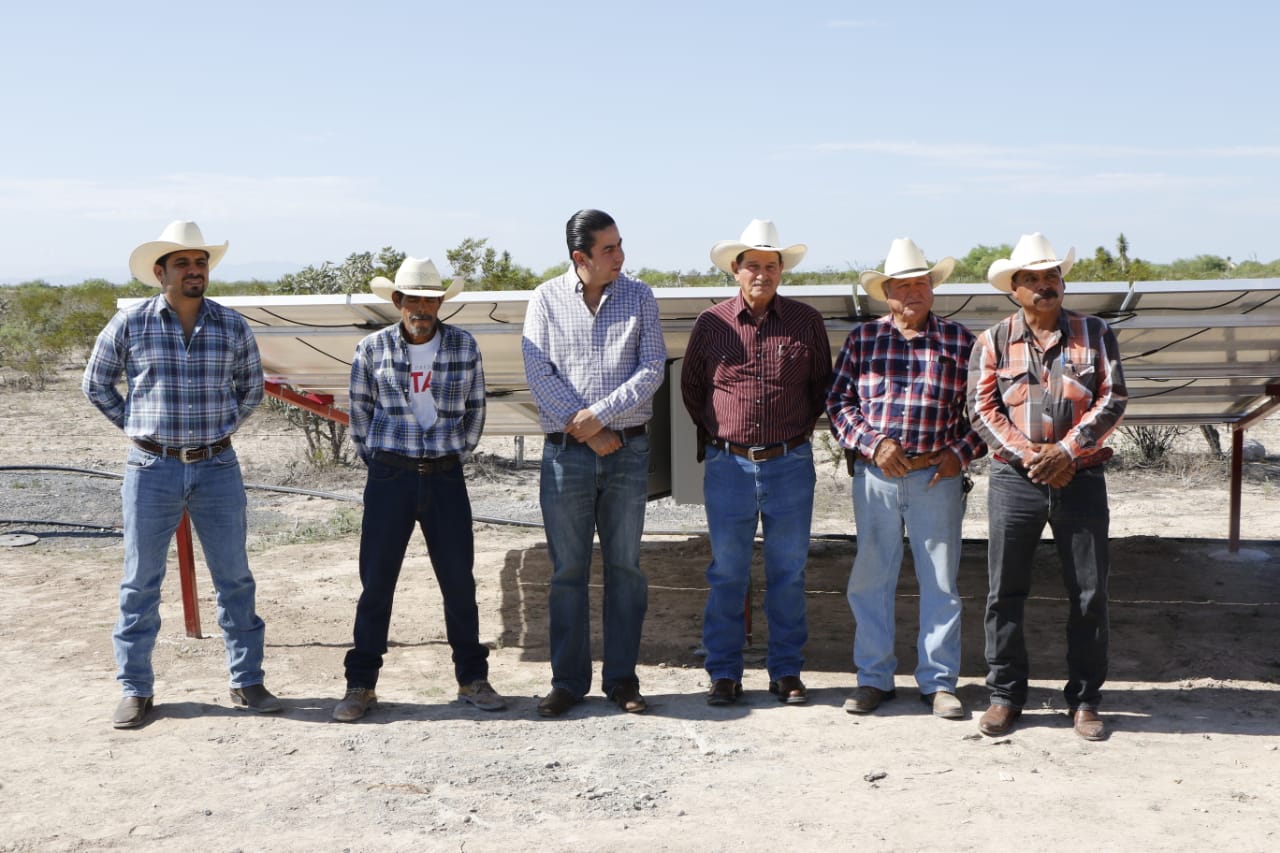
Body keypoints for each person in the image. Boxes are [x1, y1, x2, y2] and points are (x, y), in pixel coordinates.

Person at [83, 220, 281, 728]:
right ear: (160, 272)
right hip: (151, 467)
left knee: (234, 577)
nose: (195, 271)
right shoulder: (131, 323)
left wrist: (221, 428)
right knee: (140, 581)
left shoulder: (231, 324)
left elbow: (252, 388)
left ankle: (247, 680)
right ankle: (135, 689)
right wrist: (136, 425)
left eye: (200, 263)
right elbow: (96, 383)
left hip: (217, 466)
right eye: (183, 263)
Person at [968, 233, 1127, 741]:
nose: (1044, 286)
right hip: (1015, 480)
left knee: (1089, 592)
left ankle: (1085, 701)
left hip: (1081, 477)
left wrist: (1067, 451)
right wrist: (1035, 457)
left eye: (1050, 276)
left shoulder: (1095, 332)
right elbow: (981, 410)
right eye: (1031, 279)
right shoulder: (992, 341)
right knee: (1005, 590)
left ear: (1063, 281)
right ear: (1013, 289)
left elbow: (1113, 397)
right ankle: (1005, 696)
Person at [333, 257, 505, 721]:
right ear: (397, 301)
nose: (423, 309)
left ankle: (473, 678)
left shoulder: (464, 346)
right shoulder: (372, 349)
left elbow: (476, 409)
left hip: (445, 476)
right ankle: (361, 684)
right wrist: (380, 461)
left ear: (441, 304)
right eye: (414, 300)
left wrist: (455, 452)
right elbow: (360, 413)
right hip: (390, 476)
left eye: (431, 300)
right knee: (377, 583)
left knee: (459, 582)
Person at [827, 238, 986, 720]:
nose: (912, 293)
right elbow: (839, 403)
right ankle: (873, 678)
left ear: (932, 289)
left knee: (940, 580)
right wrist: (875, 444)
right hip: (876, 475)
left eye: (920, 284)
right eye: (902, 286)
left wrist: (958, 455)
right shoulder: (863, 340)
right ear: (886, 294)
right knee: (871, 576)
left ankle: (939, 683)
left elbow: (985, 411)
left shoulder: (960, 341)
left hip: (936, 477)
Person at [521, 209, 667, 717]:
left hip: (626, 451)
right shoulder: (545, 298)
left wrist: (598, 419)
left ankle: (622, 680)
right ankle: (568, 682)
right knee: (568, 571)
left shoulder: (640, 295)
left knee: (626, 568)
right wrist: (584, 428)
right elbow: (537, 370)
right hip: (567, 455)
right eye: (609, 249)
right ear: (580, 257)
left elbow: (652, 368)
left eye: (620, 244)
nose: (620, 256)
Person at [681, 219, 833, 706]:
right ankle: (724, 672)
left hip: (790, 463)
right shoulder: (712, 324)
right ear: (735, 269)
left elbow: (821, 387)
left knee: (789, 571)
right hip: (729, 465)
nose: (761, 274)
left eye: (770, 265)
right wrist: (722, 435)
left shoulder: (806, 322)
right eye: (752, 266)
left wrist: (794, 435)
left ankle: (786, 670)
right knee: (728, 572)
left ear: (782, 270)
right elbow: (693, 389)